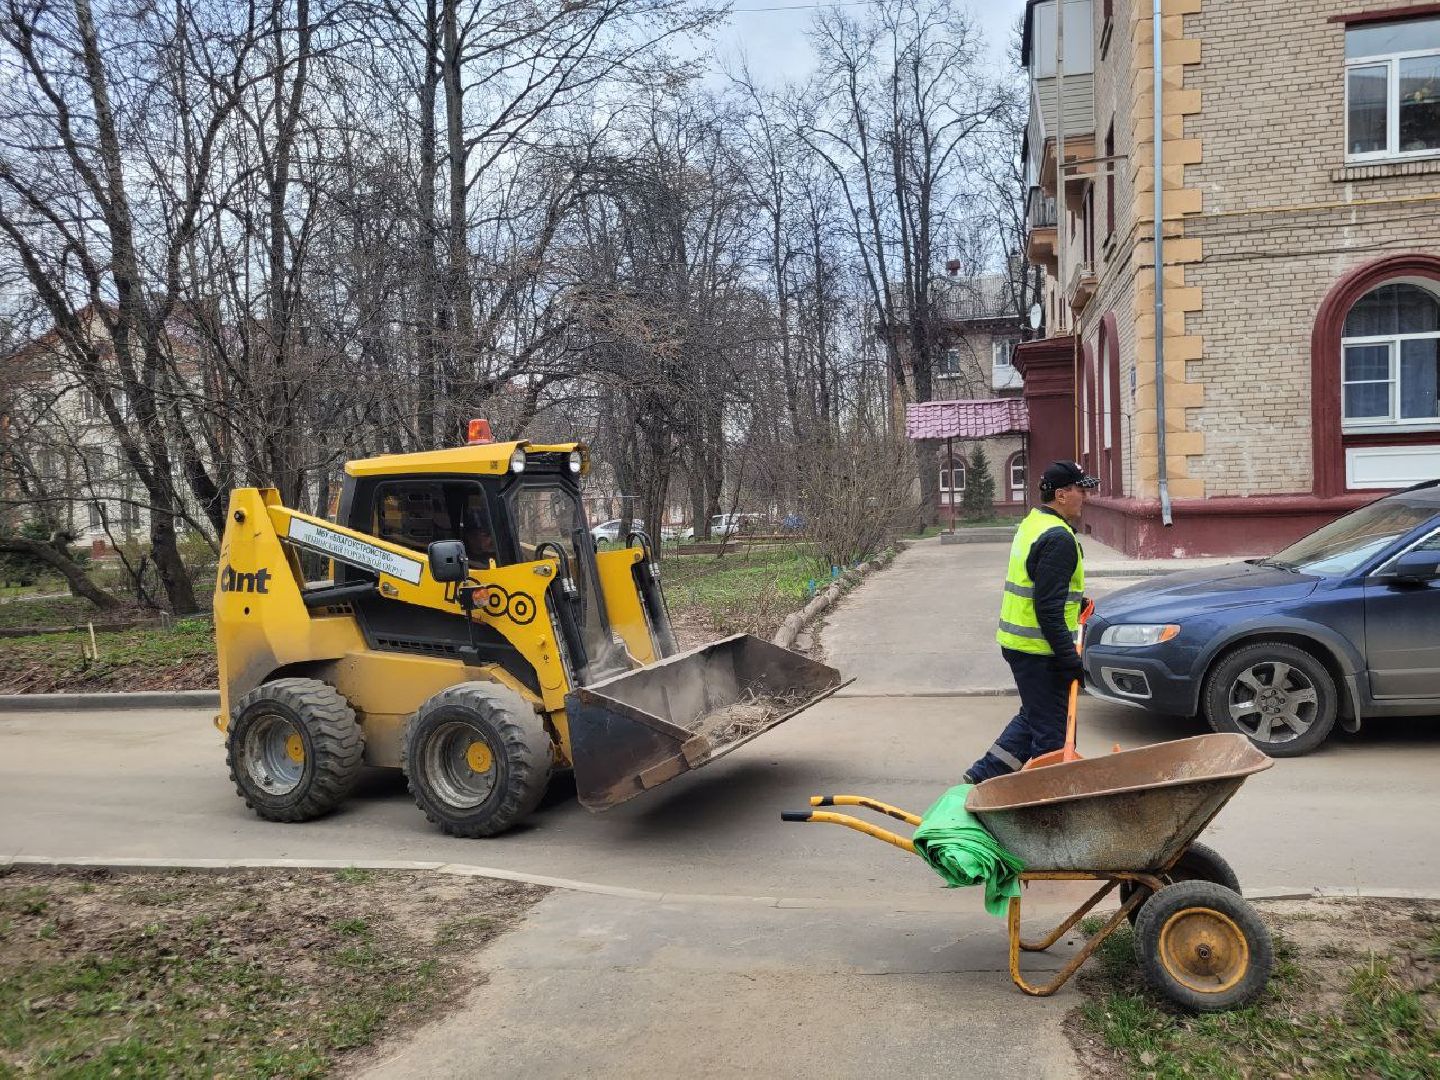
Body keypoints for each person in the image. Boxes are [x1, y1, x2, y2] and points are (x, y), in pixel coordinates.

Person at [963, 460, 1100, 784]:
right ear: (1062, 495)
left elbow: (1040, 584)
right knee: (1053, 738)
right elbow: (1048, 609)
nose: (1086, 496)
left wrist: (1074, 602)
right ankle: (1047, 811)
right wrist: (1070, 660)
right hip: (1040, 652)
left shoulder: (1034, 523)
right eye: (1081, 489)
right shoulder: (1059, 538)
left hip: (1022, 646)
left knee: (1034, 718)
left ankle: (982, 778)